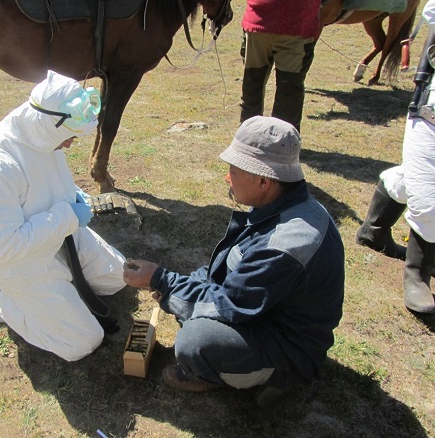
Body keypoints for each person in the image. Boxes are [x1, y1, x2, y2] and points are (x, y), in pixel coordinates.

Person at [123, 116, 345, 407]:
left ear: (264, 181)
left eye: (234, 170)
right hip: (265, 311)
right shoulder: (285, 204)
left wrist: (161, 280)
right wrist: (175, 286)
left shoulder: (283, 245)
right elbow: (228, 271)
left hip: (290, 344)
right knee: (189, 295)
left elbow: (228, 306)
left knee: (193, 341)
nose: (227, 178)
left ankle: (279, 375)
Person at [0, 70, 127, 361]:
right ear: (52, 124)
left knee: (118, 278)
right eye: (70, 136)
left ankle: (58, 286)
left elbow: (46, 179)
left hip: (56, 232)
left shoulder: (43, 134)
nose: (71, 144)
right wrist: (67, 216)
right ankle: (3, 297)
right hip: (17, 262)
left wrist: (72, 196)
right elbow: (4, 246)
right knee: (83, 341)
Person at [356, 0, 435, 314]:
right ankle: (418, 272)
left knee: (416, 174)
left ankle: (373, 230)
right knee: (428, 188)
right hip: (432, 112)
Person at [239, 0, 321, 132]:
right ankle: (281, 145)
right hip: (296, 26)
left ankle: (247, 139)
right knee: (289, 91)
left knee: (253, 85)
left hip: (258, 22)